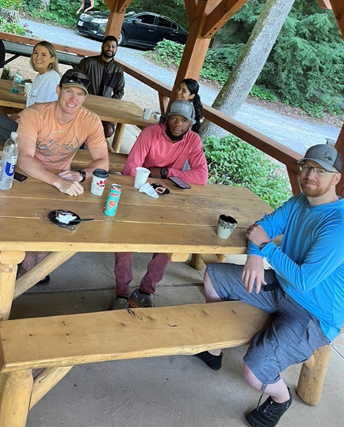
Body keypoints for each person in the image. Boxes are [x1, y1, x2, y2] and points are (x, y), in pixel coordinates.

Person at [195, 144, 344, 427]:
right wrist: (256, 258)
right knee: (213, 276)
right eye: (307, 167)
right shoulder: (300, 203)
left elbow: (305, 279)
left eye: (321, 171)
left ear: (336, 179)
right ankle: (216, 348)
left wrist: (265, 250)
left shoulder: (341, 225)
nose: (310, 175)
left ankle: (281, 400)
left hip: (314, 314)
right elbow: (261, 228)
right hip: (282, 288)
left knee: (255, 373)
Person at [113, 100, 208, 310]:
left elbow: (202, 175)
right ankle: (121, 291)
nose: (177, 124)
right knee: (124, 238)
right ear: (166, 119)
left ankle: (146, 290)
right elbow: (130, 169)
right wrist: (151, 177)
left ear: (190, 123)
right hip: (138, 191)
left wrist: (166, 172)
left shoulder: (192, 140)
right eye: (173, 118)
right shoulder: (150, 133)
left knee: (169, 241)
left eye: (184, 120)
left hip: (167, 196)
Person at [16, 68, 109, 281]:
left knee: (66, 217)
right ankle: (28, 262)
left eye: (80, 93)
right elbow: (24, 159)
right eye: (69, 91)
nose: (73, 98)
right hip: (29, 174)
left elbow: (103, 160)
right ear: (58, 90)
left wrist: (81, 175)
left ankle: (37, 261)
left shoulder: (91, 120)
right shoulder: (34, 114)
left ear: (86, 97)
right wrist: (57, 181)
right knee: (29, 215)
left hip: (63, 176)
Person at [0, 41, 61, 141]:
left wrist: (20, 118)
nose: (38, 57)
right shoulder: (39, 76)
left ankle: (18, 141)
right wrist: (20, 115)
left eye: (44, 55)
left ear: (52, 59)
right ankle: (8, 137)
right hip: (27, 123)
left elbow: (41, 108)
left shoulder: (51, 77)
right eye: (35, 53)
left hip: (35, 130)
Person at [77, 35, 125, 138]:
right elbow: (76, 82)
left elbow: (119, 91)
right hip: (85, 104)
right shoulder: (88, 62)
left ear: (116, 49)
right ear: (102, 46)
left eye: (113, 47)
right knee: (82, 127)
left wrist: (109, 103)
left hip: (105, 108)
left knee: (108, 131)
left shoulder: (118, 69)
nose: (110, 49)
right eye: (107, 45)